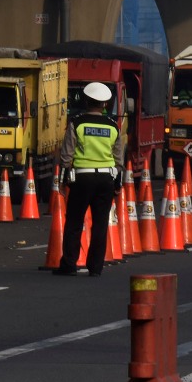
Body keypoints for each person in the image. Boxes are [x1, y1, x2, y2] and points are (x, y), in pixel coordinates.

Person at [54, 82, 125, 276]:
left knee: (75, 222)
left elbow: (66, 156)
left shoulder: (77, 123)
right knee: (100, 223)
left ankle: (69, 265)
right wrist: (118, 184)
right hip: (106, 180)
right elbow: (119, 159)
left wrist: (62, 181)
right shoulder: (113, 126)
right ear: (105, 104)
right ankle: (95, 267)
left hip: (82, 179)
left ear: (86, 101)